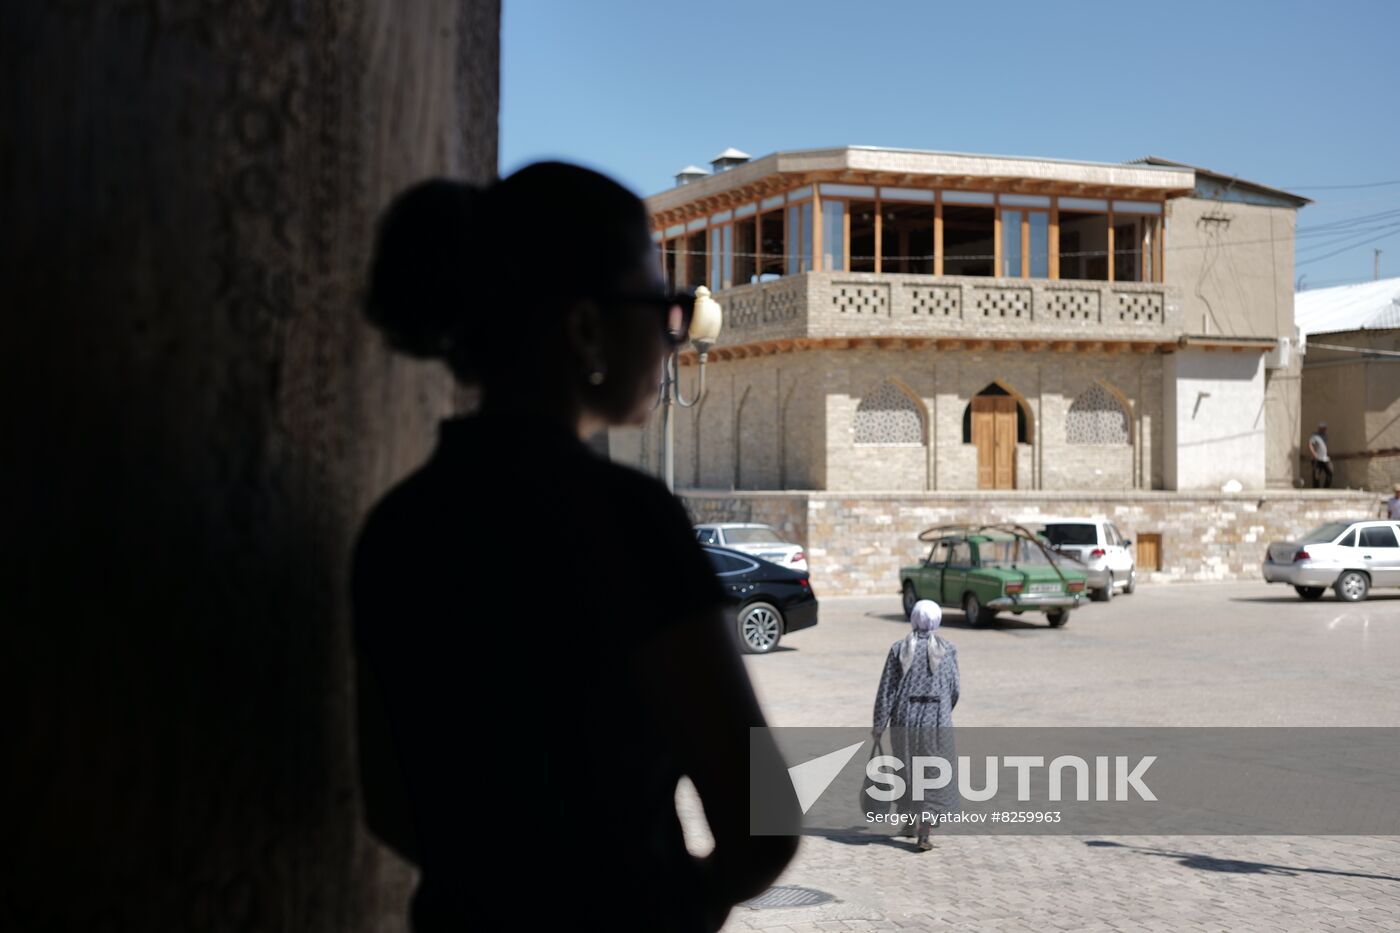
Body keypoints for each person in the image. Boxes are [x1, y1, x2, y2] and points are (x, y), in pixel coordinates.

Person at [351, 164, 799, 932]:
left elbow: (392, 810)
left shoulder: (400, 523)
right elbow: (761, 822)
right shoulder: (625, 520)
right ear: (586, 327)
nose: (669, 332)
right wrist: (656, 901)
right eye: (658, 306)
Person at [871, 599, 960, 851]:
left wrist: (879, 723)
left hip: (905, 717)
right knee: (932, 772)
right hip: (936, 719)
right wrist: (943, 709)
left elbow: (887, 689)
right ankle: (923, 831)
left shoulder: (899, 648)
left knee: (907, 769)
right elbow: (954, 689)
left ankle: (910, 823)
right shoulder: (948, 649)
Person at [1308, 422, 1333, 488]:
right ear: (1320, 428)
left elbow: (1324, 447)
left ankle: (1326, 488)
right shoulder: (1315, 436)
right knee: (1316, 474)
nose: (1325, 429)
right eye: (1323, 428)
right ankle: (1316, 489)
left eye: (1325, 428)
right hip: (1317, 458)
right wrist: (1313, 453)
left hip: (1325, 458)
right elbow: (1310, 444)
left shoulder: (1325, 436)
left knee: (1330, 472)